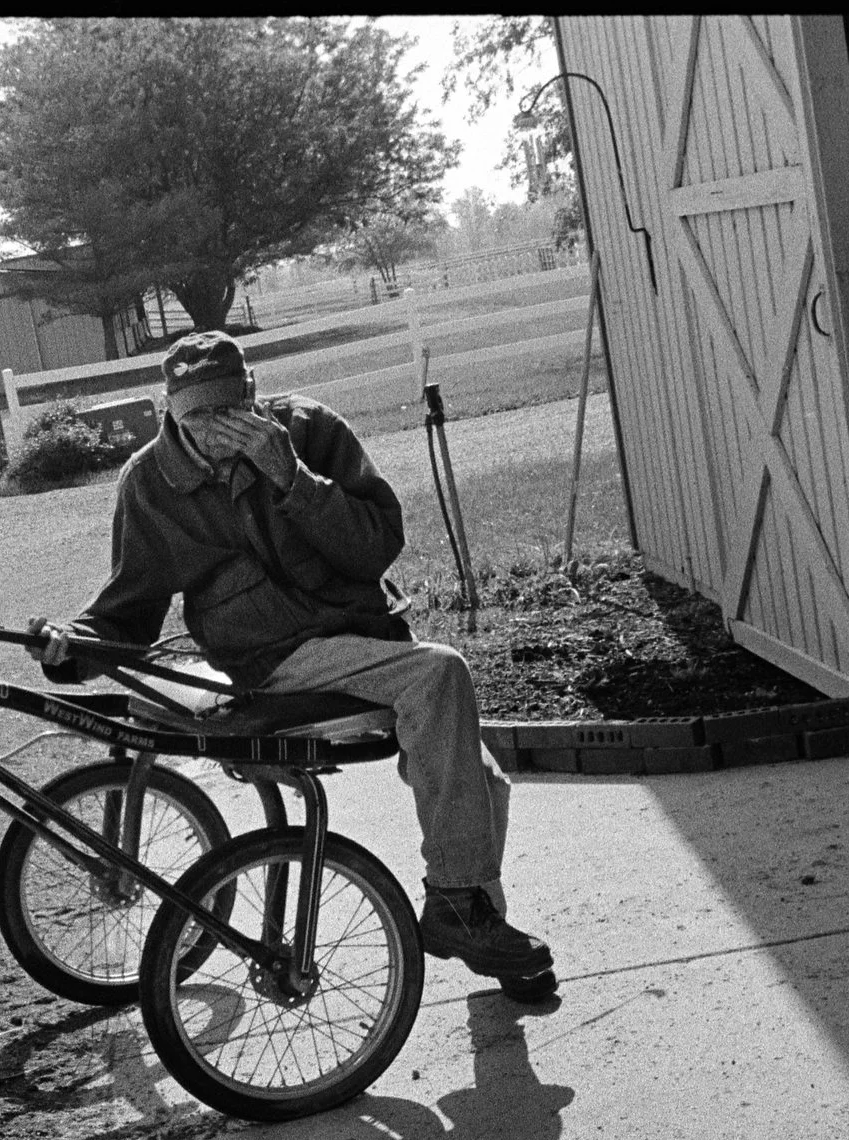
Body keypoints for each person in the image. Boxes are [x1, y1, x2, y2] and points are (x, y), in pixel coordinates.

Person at [31, 329, 553, 987]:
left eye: (229, 411)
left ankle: (478, 925)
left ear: (253, 396)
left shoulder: (310, 430)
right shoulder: (150, 484)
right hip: (269, 655)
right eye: (196, 416)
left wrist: (292, 478)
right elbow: (127, 606)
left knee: (481, 783)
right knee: (442, 671)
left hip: (358, 636)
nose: (215, 429)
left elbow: (375, 547)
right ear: (169, 410)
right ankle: (459, 905)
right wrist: (69, 645)